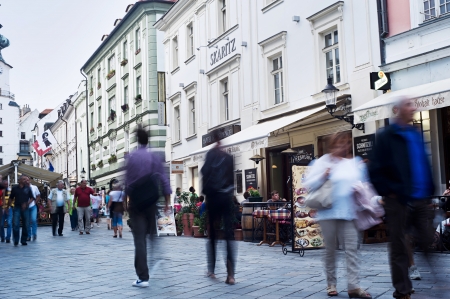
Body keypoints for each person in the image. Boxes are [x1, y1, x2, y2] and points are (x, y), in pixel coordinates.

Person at [369, 97, 434, 299]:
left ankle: (422, 266)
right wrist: (389, 191)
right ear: (397, 110)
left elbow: (423, 161)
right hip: (397, 199)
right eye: (409, 104)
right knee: (398, 245)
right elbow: (374, 169)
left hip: (421, 197)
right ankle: (402, 290)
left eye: (414, 104)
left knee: (428, 239)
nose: (414, 107)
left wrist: (429, 189)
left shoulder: (415, 133)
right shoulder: (386, 135)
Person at [304, 132, 371, 298]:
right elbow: (308, 184)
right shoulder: (322, 161)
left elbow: (363, 183)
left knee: (352, 249)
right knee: (330, 250)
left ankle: (353, 286)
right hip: (327, 212)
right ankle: (331, 284)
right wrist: (324, 175)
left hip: (349, 213)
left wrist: (359, 188)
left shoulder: (352, 163)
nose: (343, 146)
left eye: (346, 143)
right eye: (340, 143)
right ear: (332, 145)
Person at [126, 128, 171, 288]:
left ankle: (143, 277)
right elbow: (164, 179)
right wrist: (167, 200)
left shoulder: (131, 157)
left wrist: (127, 202)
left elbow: (128, 182)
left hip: (137, 203)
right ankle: (156, 254)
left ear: (137, 140)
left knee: (139, 239)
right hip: (152, 202)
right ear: (148, 139)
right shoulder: (154, 157)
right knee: (151, 233)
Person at [201, 131, 236, 285]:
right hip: (226, 198)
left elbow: (204, 172)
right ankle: (230, 275)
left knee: (213, 235)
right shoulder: (229, 158)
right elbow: (231, 180)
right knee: (229, 235)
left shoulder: (210, 155)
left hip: (213, 198)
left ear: (214, 140)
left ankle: (212, 270)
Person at [8, 175, 35, 246]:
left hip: (25, 208)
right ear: (19, 180)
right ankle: (16, 240)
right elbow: (11, 198)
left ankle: (23, 240)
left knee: (26, 224)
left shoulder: (28, 188)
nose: (25, 181)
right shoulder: (14, 188)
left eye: (26, 180)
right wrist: (8, 206)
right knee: (16, 224)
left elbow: (32, 198)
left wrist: (27, 204)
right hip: (17, 207)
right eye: (23, 179)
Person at [26, 177, 41, 241]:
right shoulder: (23, 188)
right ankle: (29, 236)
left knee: (34, 220)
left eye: (28, 180)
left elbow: (38, 195)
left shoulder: (34, 187)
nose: (27, 181)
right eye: (25, 180)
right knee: (27, 221)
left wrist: (35, 201)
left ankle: (34, 234)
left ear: (30, 180)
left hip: (33, 206)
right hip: (26, 207)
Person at [0, 178, 11, 243]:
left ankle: (8, 238)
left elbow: (4, 198)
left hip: (9, 208)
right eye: (5, 184)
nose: (6, 185)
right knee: (1, 224)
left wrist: (7, 207)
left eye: (7, 184)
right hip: (2, 207)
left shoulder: (10, 190)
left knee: (9, 223)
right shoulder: (2, 189)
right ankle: (2, 237)